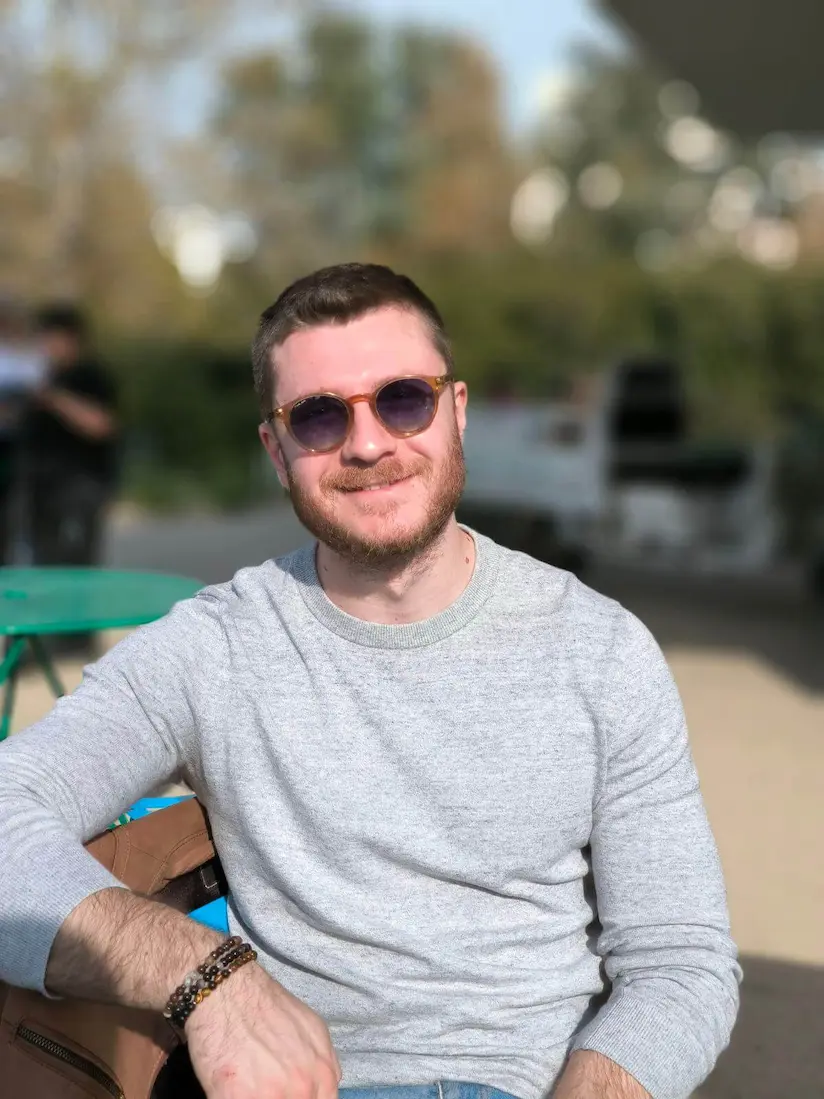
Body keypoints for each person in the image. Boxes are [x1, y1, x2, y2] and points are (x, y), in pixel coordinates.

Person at [0, 264, 740, 1099]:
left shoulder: (602, 650)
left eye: (403, 398)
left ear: (456, 412)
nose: (367, 442)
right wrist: (207, 976)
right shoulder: (216, 645)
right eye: (317, 415)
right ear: (277, 452)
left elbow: (680, 962)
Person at [22, 303, 119, 570]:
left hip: (80, 485)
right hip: (40, 487)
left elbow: (102, 425)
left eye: (51, 337)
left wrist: (53, 398)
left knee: (75, 565)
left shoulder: (91, 376)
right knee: (44, 565)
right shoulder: (41, 376)